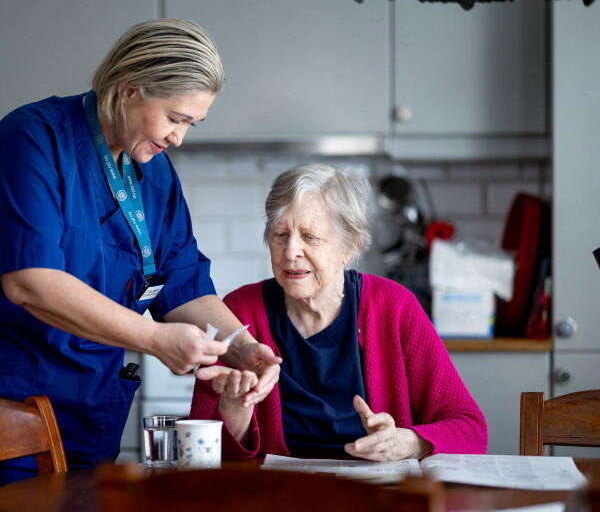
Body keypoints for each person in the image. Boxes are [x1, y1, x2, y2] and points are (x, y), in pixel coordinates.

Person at [0, 18, 280, 510]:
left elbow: (184, 287)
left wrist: (243, 347)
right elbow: (30, 284)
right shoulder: (30, 141)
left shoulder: (154, 174)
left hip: (81, 412)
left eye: (191, 124)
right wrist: (157, 341)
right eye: (176, 118)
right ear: (129, 88)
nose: (180, 138)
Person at [191, 163, 487, 461]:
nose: (291, 251)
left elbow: (471, 430)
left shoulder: (394, 307)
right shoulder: (238, 313)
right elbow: (203, 456)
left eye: (310, 237)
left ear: (349, 247)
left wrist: (408, 442)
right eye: (280, 235)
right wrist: (233, 410)